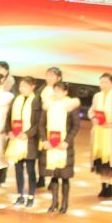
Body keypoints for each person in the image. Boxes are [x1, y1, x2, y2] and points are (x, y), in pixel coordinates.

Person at [43, 81, 80, 215]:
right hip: (51, 145)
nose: (56, 93)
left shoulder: (71, 105)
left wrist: (66, 142)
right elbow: (41, 124)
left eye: (59, 91)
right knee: (53, 175)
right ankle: (54, 202)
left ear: (65, 92)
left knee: (64, 176)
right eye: (55, 90)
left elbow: (76, 126)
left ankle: (65, 203)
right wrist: (44, 140)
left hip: (64, 146)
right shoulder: (48, 104)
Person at [6, 76, 42, 209]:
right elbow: (8, 118)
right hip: (16, 140)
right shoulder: (16, 99)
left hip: (29, 142)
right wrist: (9, 131)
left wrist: (28, 134)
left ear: (33, 87)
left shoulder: (37, 100)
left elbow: (39, 122)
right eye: (21, 86)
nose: (22, 89)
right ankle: (20, 195)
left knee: (31, 170)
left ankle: (31, 196)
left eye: (26, 86)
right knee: (18, 170)